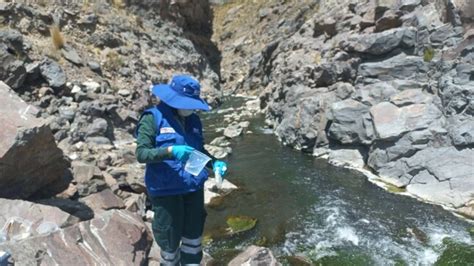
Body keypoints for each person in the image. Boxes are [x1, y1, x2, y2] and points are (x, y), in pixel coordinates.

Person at [135, 74, 228, 265]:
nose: (191, 108)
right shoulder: (152, 118)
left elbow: (199, 150)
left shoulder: (194, 120)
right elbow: (142, 154)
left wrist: (214, 163)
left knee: (193, 240)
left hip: (193, 188)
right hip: (166, 190)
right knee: (169, 244)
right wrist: (170, 151)